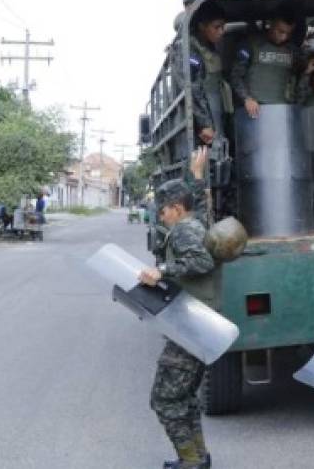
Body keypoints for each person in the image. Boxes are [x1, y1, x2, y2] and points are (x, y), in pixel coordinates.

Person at [138, 148, 215, 469]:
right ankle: (198, 456)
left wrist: (163, 272)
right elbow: (203, 211)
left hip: (190, 326)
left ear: (176, 209)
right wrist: (197, 176)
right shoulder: (195, 223)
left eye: (163, 211)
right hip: (198, 324)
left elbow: (202, 260)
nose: (160, 216)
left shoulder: (185, 230)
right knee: (184, 398)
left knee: (165, 399)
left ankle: (190, 461)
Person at [173, 15, 228, 146]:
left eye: (223, 27)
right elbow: (191, 87)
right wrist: (205, 124)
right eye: (216, 27)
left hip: (215, 113)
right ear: (202, 26)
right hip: (202, 124)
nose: (221, 31)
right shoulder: (188, 47)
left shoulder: (209, 47)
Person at [229, 18, 299, 119]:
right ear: (271, 24)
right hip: (255, 110)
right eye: (280, 31)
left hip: (281, 111)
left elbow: (296, 77)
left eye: (288, 33)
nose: (283, 37)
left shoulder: (292, 50)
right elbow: (236, 76)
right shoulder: (251, 44)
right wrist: (247, 99)